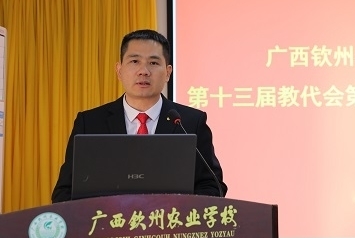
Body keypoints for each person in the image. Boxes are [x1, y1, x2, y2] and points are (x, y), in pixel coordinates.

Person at [51, 29, 227, 203]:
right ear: (119, 70)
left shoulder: (190, 122)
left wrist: (178, 210)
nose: (144, 71)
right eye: (134, 61)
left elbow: (212, 186)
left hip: (170, 220)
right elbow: (65, 192)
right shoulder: (90, 123)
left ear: (167, 72)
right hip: (108, 221)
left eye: (153, 63)